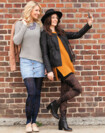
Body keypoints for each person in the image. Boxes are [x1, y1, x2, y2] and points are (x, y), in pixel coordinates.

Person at [40, 9, 93, 131]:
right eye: (52, 17)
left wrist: (88, 24)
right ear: (48, 20)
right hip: (59, 67)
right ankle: (55, 104)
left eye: (56, 18)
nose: (55, 20)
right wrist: (49, 70)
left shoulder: (61, 32)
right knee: (78, 88)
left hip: (68, 65)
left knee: (64, 93)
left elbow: (77, 34)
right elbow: (45, 54)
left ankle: (62, 122)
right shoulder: (45, 34)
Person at [13, 1, 45, 132]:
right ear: (30, 10)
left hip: (39, 63)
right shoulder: (20, 23)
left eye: (39, 11)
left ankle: (34, 122)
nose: (38, 13)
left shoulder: (40, 26)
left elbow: (43, 44)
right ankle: (28, 122)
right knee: (31, 92)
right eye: (36, 10)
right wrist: (25, 25)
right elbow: (16, 41)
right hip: (26, 61)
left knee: (37, 94)